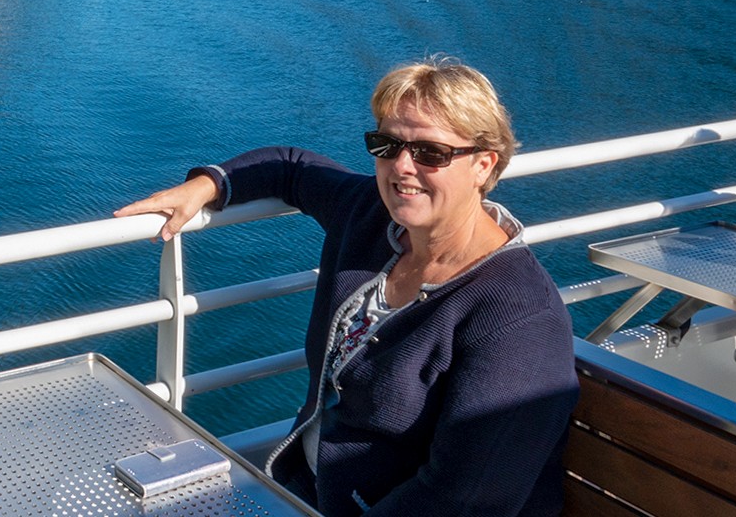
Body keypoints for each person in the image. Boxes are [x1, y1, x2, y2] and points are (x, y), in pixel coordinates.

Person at [115, 60, 577, 517]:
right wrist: (209, 184)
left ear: (483, 165)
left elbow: (465, 500)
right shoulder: (372, 217)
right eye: (386, 144)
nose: (401, 167)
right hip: (306, 486)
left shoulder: (519, 320)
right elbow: (291, 168)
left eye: (430, 153)